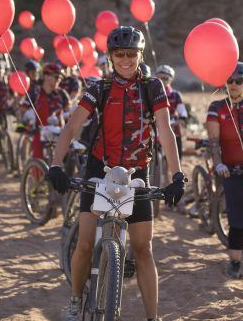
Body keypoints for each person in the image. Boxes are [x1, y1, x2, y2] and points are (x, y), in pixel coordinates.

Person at [47, 26, 185, 321]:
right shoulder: (99, 88)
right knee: (85, 243)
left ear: (139, 55)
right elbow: (71, 128)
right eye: (120, 54)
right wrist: (56, 165)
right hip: (100, 166)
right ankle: (74, 300)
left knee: (143, 249)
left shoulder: (152, 88)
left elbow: (165, 131)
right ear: (110, 57)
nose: (126, 59)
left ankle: (152, 317)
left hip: (137, 170)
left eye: (131, 54)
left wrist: (177, 175)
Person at [206, 61, 243, 279]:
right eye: (230, 81)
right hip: (231, 169)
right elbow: (213, 140)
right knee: (237, 218)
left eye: (238, 81)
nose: (233, 85)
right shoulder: (217, 107)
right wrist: (218, 162)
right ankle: (235, 261)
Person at [20, 62, 70, 160]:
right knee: (38, 162)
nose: (59, 80)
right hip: (39, 133)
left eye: (60, 78)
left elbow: (68, 111)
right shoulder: (35, 91)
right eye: (56, 77)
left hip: (59, 133)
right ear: (47, 76)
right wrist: (26, 125)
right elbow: (23, 110)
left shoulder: (62, 93)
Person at [155, 65, 188, 160]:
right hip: (155, 128)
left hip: (172, 127)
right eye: (159, 78)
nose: (161, 81)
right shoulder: (151, 93)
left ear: (171, 80)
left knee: (176, 156)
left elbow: (182, 112)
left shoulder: (175, 95)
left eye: (165, 78)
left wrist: (181, 119)